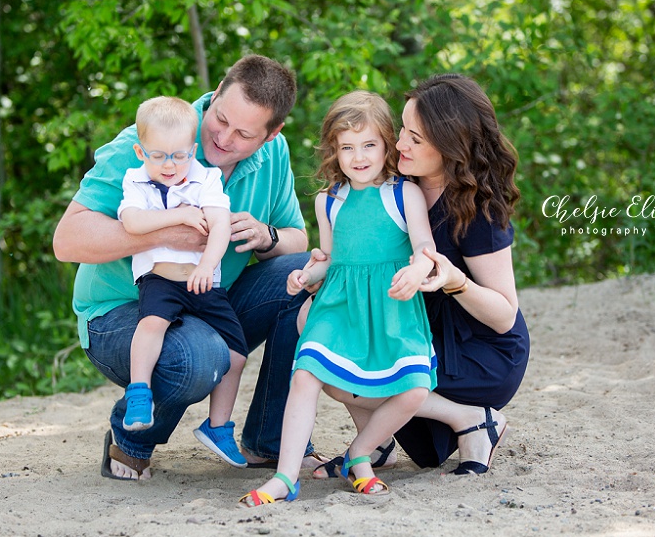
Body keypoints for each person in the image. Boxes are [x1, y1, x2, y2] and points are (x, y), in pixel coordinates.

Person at [53, 55, 322, 481]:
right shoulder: (151, 142)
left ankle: (271, 441)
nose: (223, 137)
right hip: (123, 310)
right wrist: (164, 234)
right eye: (220, 119)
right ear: (215, 93)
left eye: (244, 134)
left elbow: (296, 239)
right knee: (200, 358)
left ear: (272, 135)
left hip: (207, 295)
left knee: (305, 274)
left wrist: (265, 235)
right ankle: (132, 441)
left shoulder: (274, 156)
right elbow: (66, 240)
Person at [318, 74, 530, 477]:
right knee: (323, 328)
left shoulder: (478, 211)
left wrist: (456, 281)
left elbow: (504, 316)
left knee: (351, 369)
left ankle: (466, 419)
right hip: (417, 330)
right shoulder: (398, 183)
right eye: (401, 130)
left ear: (451, 145)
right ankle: (395, 439)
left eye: (416, 138)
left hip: (479, 352)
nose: (399, 145)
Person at [239, 90, 437, 507]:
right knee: (306, 374)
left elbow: (425, 247)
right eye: (347, 147)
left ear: (387, 144)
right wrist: (306, 274)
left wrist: (419, 271)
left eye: (368, 145)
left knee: (415, 388)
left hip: (390, 307)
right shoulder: (328, 200)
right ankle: (285, 478)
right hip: (339, 306)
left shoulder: (404, 194)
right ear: (334, 150)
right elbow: (330, 259)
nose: (359, 156)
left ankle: (359, 454)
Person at [117, 96, 248, 468]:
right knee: (152, 324)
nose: (170, 164)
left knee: (235, 354)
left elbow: (220, 224)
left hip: (204, 280)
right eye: (158, 155)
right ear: (141, 151)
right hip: (160, 279)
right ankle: (139, 391)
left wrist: (209, 263)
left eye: (178, 155)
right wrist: (181, 216)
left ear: (192, 150)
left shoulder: (205, 178)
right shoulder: (136, 180)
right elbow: (133, 223)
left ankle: (218, 426)